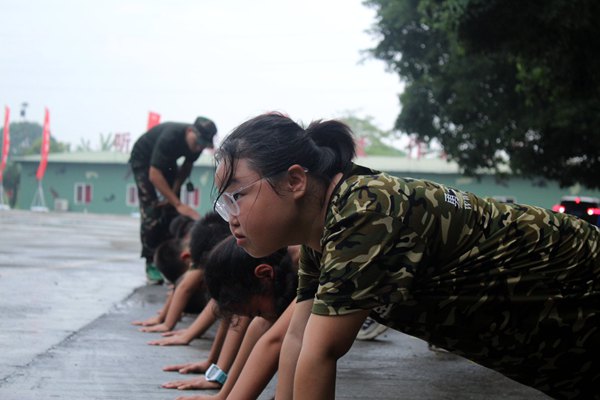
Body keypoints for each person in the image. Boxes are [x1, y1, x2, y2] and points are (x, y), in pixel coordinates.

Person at [212, 112, 600, 400]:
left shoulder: (364, 208)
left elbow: (320, 351)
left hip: (581, 290)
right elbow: (295, 337)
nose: (230, 217)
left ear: (295, 181)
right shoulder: (325, 232)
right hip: (551, 339)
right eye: (223, 204)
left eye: (237, 196)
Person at [162, 236, 298, 399]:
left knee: (297, 337)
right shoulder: (262, 265)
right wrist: (223, 393)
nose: (235, 227)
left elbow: (276, 339)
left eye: (257, 312)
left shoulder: (310, 260)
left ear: (265, 274)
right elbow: (258, 325)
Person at [129, 116, 217, 283]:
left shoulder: (197, 143)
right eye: (197, 142)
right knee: (152, 210)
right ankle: (150, 262)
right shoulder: (170, 137)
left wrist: (174, 196)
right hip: (144, 160)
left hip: (166, 163)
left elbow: (185, 168)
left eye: (203, 145)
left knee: (170, 211)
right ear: (190, 131)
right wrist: (178, 203)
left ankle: (169, 259)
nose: (198, 147)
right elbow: (154, 174)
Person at [132, 211, 229, 332]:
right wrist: (163, 317)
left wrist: (169, 325)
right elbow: (181, 287)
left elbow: (185, 288)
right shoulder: (203, 240)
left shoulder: (206, 251)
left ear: (186, 257)